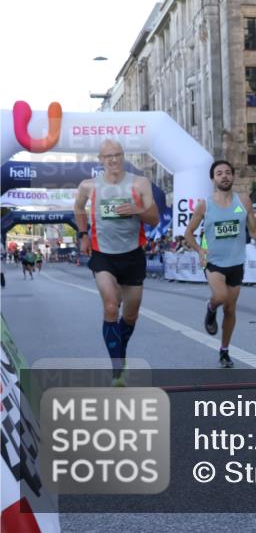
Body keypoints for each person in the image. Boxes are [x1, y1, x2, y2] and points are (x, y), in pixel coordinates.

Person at [73, 139, 160, 386]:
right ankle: (117, 369)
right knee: (111, 306)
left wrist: (136, 209)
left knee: (130, 316)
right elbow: (78, 208)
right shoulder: (89, 186)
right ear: (100, 160)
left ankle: (120, 352)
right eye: (107, 156)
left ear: (123, 156)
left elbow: (154, 218)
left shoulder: (139, 183)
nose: (113, 160)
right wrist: (83, 235)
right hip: (103, 255)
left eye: (117, 155)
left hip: (132, 254)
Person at [183, 160, 256, 367]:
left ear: (233, 177)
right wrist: (200, 249)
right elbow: (188, 233)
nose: (224, 176)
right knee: (220, 296)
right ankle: (211, 308)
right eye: (219, 173)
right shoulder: (205, 205)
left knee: (230, 309)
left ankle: (224, 350)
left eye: (228, 172)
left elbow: (253, 230)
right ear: (213, 179)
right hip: (213, 261)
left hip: (236, 261)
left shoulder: (243, 202)